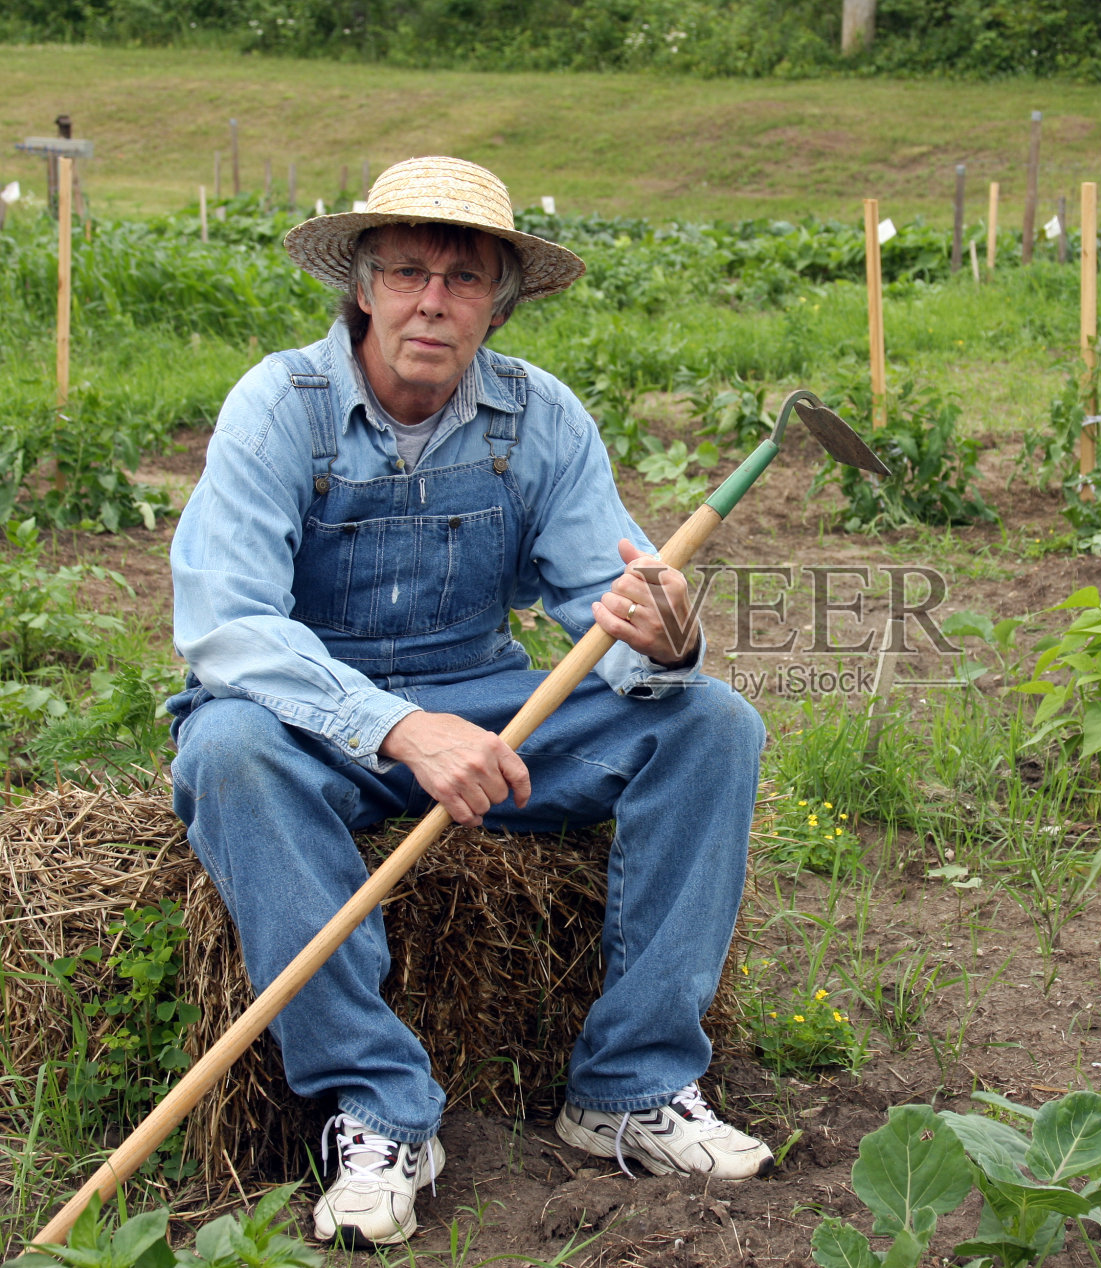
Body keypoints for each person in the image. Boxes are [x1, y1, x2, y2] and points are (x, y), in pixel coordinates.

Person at [166, 156, 773, 1248]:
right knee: (226, 750)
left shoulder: (538, 418)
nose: (432, 301)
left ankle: (630, 1087)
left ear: (500, 299)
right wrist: (394, 724)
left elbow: (607, 594)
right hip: (312, 715)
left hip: (487, 694)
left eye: (463, 277)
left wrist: (663, 635)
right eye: (407, 272)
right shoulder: (280, 405)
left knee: (710, 720)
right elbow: (228, 624)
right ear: (362, 286)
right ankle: (380, 1105)